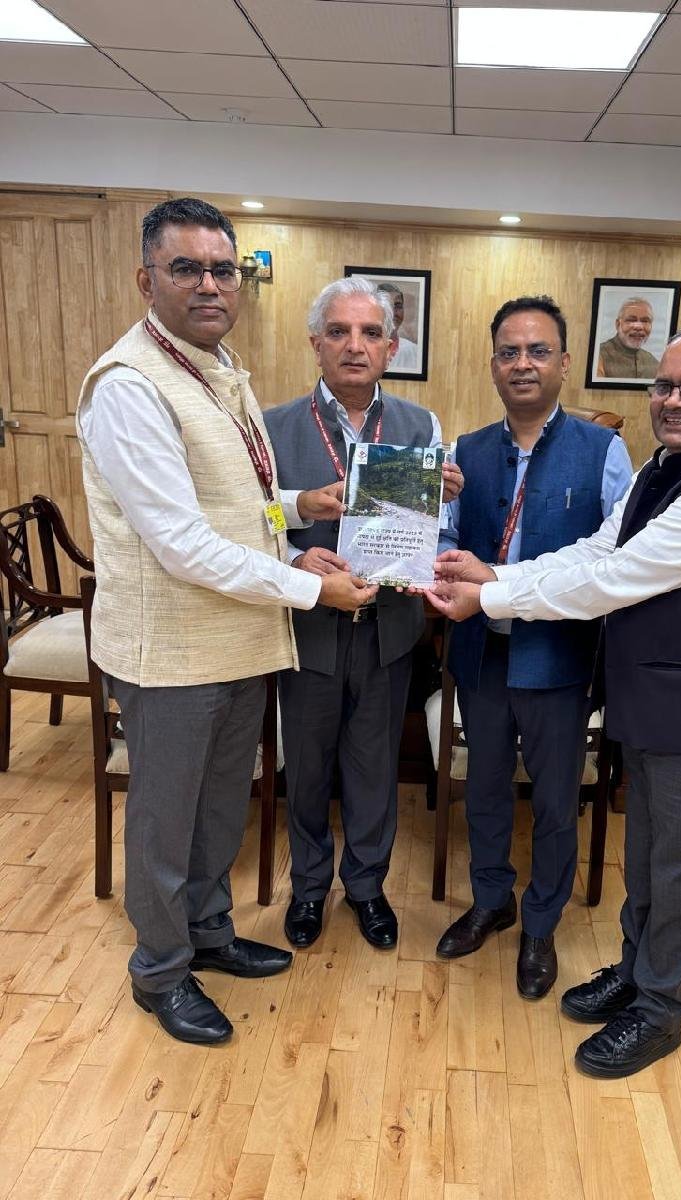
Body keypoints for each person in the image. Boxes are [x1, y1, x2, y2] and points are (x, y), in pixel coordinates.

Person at [428, 324, 681, 1077]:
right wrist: (496, 575)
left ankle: (660, 1010)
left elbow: (615, 581)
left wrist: (493, 596)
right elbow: (597, 551)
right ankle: (635, 973)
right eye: (664, 385)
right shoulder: (662, 467)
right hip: (652, 703)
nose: (673, 401)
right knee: (648, 858)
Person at [77, 198, 376, 1045]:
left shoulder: (216, 370)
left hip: (236, 640)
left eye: (222, 269)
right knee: (165, 820)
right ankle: (160, 970)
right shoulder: (130, 387)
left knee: (218, 809)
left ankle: (208, 933)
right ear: (147, 281)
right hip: (170, 651)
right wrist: (308, 589)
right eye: (187, 268)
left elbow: (235, 503)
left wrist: (298, 505)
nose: (210, 285)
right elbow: (181, 543)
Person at [434, 296, 632, 999]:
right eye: (509, 352)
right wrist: (435, 547)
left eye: (538, 351)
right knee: (484, 789)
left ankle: (541, 923)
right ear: (493, 365)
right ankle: (491, 901)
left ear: (565, 363)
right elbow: (442, 536)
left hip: (559, 657)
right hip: (482, 650)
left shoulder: (603, 452)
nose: (523, 363)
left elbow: (616, 555)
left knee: (554, 800)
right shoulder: (464, 451)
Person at [264, 277, 462, 953]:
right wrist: (297, 557)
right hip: (309, 627)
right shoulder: (271, 427)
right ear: (316, 343)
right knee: (308, 768)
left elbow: (436, 529)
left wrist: (443, 506)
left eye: (370, 333)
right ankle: (309, 888)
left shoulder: (421, 426)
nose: (355, 346)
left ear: (391, 348)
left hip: (388, 628)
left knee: (374, 767)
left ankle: (367, 887)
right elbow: (252, 522)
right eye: (339, 332)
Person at [596, 297, 659, 379]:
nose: (638, 326)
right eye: (631, 320)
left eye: (645, 321)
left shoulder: (653, 362)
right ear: (618, 324)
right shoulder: (598, 355)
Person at [378, 282, 418, 370]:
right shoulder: (361, 349)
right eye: (387, 306)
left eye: (398, 306)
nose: (393, 312)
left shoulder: (414, 352)